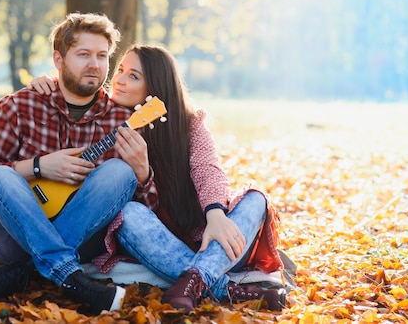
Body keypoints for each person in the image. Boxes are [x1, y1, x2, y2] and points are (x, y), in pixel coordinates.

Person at [28, 43, 288, 313]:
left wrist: (216, 215)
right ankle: (220, 288)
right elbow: (73, 97)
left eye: (133, 76)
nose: (119, 80)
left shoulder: (190, 124)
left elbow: (207, 169)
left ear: (156, 88)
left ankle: (197, 279)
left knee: (256, 199)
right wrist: (47, 84)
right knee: (127, 214)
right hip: (155, 243)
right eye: (120, 70)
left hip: (212, 242)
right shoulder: (104, 121)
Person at [0, 13, 152, 315]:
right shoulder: (21, 106)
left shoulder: (122, 120)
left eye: (102, 56)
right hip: (11, 241)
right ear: (58, 59)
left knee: (120, 172)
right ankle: (69, 275)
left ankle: (28, 273)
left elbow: (143, 210)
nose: (95, 65)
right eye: (84, 54)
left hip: (83, 241)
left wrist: (143, 173)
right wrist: (37, 167)